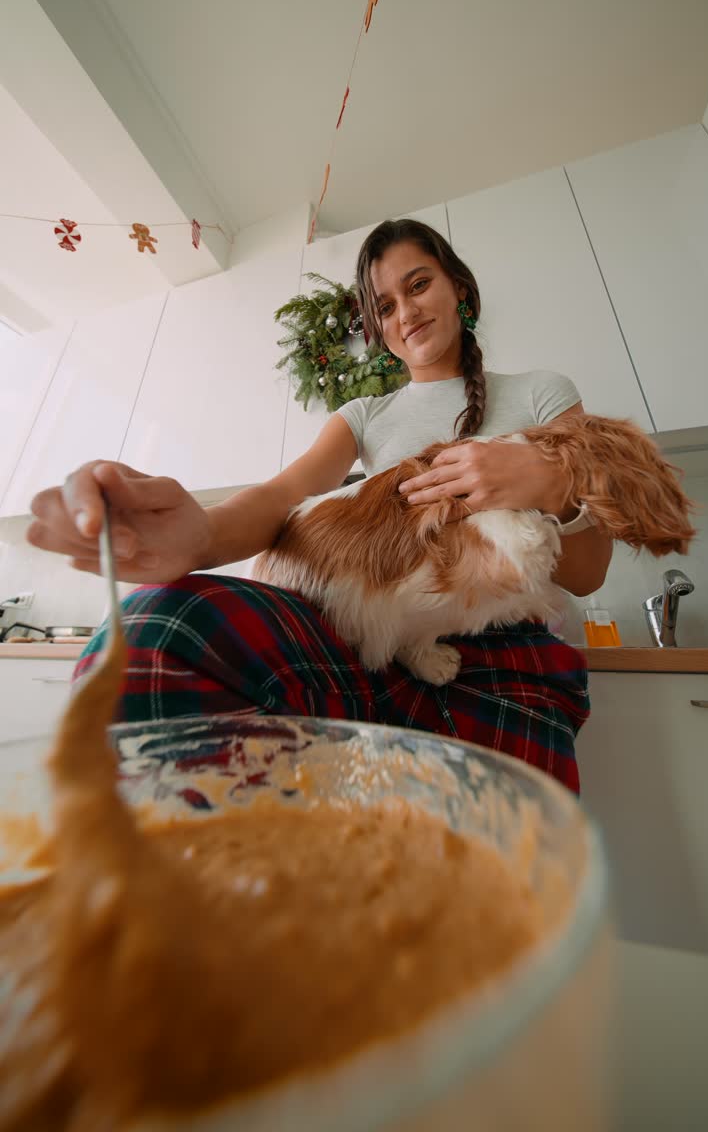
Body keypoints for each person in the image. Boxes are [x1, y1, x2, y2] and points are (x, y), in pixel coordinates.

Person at [27, 219, 612, 794]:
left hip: (509, 662)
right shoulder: (364, 416)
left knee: (489, 870)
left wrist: (550, 486)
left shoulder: (543, 393)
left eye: (418, 285)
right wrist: (200, 536)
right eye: (384, 307)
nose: (405, 314)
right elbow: (284, 498)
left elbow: (589, 573)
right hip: (379, 652)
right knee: (155, 627)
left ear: (458, 285)